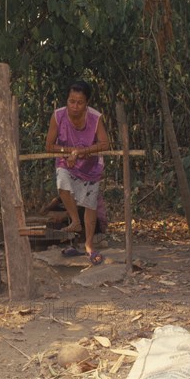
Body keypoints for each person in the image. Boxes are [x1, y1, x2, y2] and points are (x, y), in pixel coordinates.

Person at [44, 80, 110, 265]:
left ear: (86, 103)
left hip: (91, 167)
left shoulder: (95, 118)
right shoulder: (58, 116)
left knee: (90, 205)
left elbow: (105, 144)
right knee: (62, 184)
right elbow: (49, 145)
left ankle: (89, 245)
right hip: (66, 162)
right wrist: (69, 152)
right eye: (71, 101)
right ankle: (75, 221)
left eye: (79, 102)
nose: (74, 106)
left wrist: (80, 152)